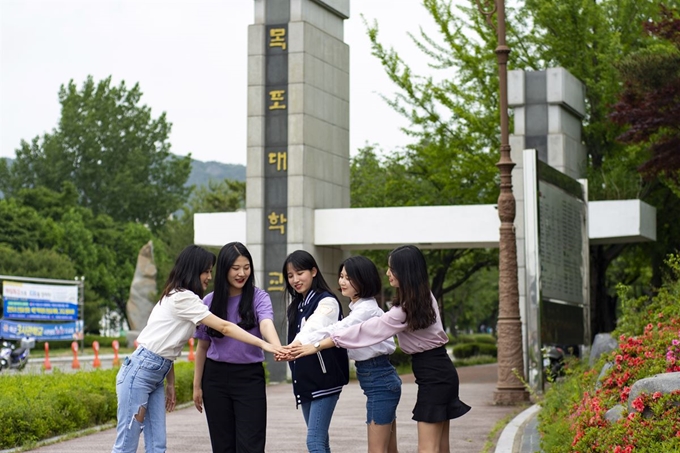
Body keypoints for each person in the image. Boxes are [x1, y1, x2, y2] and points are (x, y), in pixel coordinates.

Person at [289, 245, 471, 453]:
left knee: (426, 449)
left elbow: (364, 331)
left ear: (405, 272)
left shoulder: (403, 310)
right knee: (439, 448)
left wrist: (316, 346)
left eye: (391, 269)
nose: (387, 273)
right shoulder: (423, 299)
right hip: (440, 372)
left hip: (423, 377)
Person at [112, 245, 281, 453]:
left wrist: (170, 383)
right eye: (206, 271)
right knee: (127, 444)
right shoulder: (185, 299)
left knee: (157, 445)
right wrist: (264, 344)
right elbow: (225, 328)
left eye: (211, 271)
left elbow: (166, 347)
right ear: (193, 270)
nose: (209, 276)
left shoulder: (179, 297)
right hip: (140, 372)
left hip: (155, 371)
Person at [283, 255, 402, 453]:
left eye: (348, 278)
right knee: (388, 450)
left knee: (377, 450)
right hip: (378, 379)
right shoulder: (359, 308)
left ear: (363, 279)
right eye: (341, 276)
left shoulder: (365, 310)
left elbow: (337, 330)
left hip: (380, 380)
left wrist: (308, 345)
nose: (341, 281)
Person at [192, 242, 282, 453]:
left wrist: (277, 347)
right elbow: (202, 347)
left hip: (249, 378)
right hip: (215, 379)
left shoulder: (259, 297)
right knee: (222, 445)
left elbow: (266, 323)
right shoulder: (209, 302)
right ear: (224, 269)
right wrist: (197, 386)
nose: (242, 273)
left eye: (247, 267)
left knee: (251, 444)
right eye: (235, 268)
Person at [281, 250, 349, 453]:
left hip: (324, 381)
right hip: (305, 382)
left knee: (314, 442)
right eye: (290, 276)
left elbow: (315, 328)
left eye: (300, 273)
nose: (295, 280)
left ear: (313, 271)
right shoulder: (297, 305)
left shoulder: (326, 301)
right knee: (321, 442)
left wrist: (290, 348)